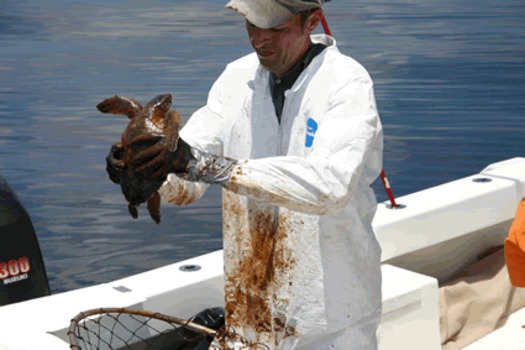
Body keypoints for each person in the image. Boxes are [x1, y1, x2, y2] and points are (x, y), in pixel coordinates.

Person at [106, 0, 384, 348]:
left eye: (277, 29)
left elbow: (330, 186)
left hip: (332, 318)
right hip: (250, 308)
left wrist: (203, 164)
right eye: (252, 25)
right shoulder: (235, 79)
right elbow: (185, 185)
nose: (260, 40)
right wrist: (146, 169)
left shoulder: (346, 83)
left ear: (311, 22)